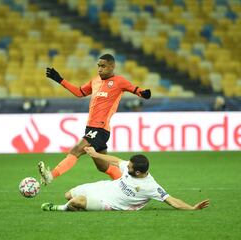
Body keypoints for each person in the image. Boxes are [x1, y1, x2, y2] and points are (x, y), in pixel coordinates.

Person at [38, 54, 151, 185]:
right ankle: (129, 186)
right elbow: (80, 92)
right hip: (91, 127)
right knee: (103, 167)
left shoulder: (119, 81)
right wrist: (59, 79)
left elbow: (135, 89)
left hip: (100, 128)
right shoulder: (95, 80)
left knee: (76, 150)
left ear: (112, 67)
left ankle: (51, 175)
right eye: (98, 66)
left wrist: (143, 93)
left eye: (103, 66)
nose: (99, 69)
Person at [41, 147, 210, 211]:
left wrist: (192, 208)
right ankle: (70, 206)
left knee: (75, 201)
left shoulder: (150, 186)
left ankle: (60, 209)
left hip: (109, 204)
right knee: (68, 194)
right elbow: (115, 160)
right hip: (105, 187)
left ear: (138, 173)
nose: (126, 167)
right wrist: (95, 154)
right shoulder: (131, 168)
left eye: (129, 168)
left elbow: (172, 201)